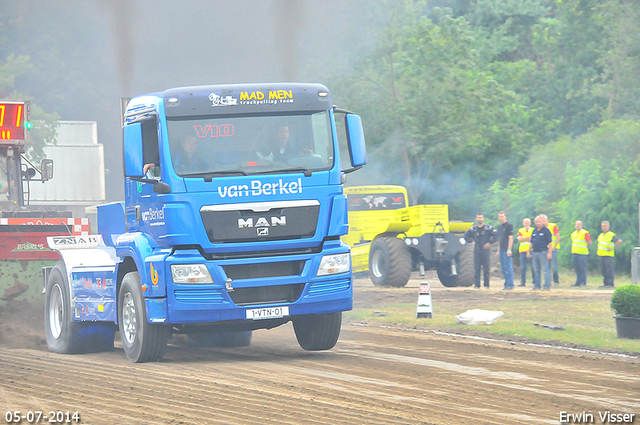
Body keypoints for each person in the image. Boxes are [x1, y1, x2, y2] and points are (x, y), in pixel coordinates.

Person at [464, 213, 497, 289]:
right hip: (477, 250)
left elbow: (496, 236)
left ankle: (486, 285)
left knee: (486, 268)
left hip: (486, 250)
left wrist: (490, 242)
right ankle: (477, 285)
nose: (479, 219)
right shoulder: (473, 229)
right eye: (478, 218)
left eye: (481, 217)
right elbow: (466, 235)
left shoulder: (488, 228)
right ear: (476, 218)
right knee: (477, 268)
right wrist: (471, 241)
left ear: (483, 218)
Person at [528, 215, 553, 290]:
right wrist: (528, 251)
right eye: (536, 222)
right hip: (534, 252)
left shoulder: (546, 230)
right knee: (536, 270)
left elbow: (550, 243)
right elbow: (532, 242)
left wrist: (549, 253)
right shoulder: (534, 230)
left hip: (543, 252)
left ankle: (547, 285)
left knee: (545, 270)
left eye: (539, 221)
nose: (537, 223)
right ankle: (537, 285)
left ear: (542, 222)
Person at [597, 221, 622, 288]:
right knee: (604, 270)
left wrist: (612, 248)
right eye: (602, 226)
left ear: (608, 227)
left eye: (605, 226)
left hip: (608, 256)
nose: (603, 227)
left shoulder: (611, 234)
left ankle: (610, 284)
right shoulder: (601, 235)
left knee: (609, 270)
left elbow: (619, 241)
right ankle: (605, 283)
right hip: (601, 255)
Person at [496, 211, 515, 290]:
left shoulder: (509, 225)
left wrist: (509, 249)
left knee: (508, 267)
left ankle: (510, 284)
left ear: (505, 217)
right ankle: (506, 284)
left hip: (507, 250)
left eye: (502, 216)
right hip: (501, 249)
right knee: (503, 268)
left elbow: (510, 238)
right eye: (500, 217)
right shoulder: (500, 227)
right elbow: (499, 240)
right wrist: (498, 250)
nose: (501, 218)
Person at [541, 214, 561, 285]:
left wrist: (554, 247)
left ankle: (556, 281)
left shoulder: (553, 226)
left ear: (545, 219)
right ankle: (548, 281)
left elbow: (558, 237)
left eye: (542, 220)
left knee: (554, 265)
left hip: (553, 249)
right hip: (545, 249)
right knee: (546, 266)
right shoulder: (541, 228)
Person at [570, 221, 591, 287]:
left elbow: (589, 242)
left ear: (581, 225)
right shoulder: (573, 233)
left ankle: (583, 282)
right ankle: (578, 282)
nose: (577, 226)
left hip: (582, 253)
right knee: (577, 268)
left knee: (582, 268)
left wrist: (587, 248)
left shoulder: (585, 233)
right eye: (576, 224)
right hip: (575, 253)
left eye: (578, 224)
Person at [517, 218, 534, 287]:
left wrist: (524, 238)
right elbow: (519, 239)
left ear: (530, 223)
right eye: (525, 223)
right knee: (523, 267)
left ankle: (535, 281)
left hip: (531, 251)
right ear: (523, 223)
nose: (526, 224)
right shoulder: (520, 230)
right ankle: (523, 282)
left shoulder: (533, 230)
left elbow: (533, 238)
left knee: (533, 267)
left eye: (527, 223)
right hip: (522, 251)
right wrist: (528, 238)